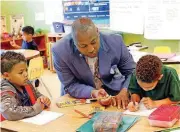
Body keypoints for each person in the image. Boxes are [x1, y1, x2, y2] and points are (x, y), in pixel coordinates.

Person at [52, 18, 135, 109]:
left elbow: (132, 71)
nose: (91, 49)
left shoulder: (115, 41)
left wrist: (125, 90)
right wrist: (93, 92)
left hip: (113, 93)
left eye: (93, 42)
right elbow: (70, 85)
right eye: (83, 46)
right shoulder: (60, 51)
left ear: (97, 32)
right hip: (80, 97)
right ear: (74, 42)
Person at [0, 51, 51, 121]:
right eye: (21, 72)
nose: (26, 74)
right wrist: (35, 109)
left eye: (26, 70)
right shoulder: (5, 89)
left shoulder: (26, 82)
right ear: (7, 75)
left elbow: (37, 95)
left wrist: (43, 99)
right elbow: (8, 112)